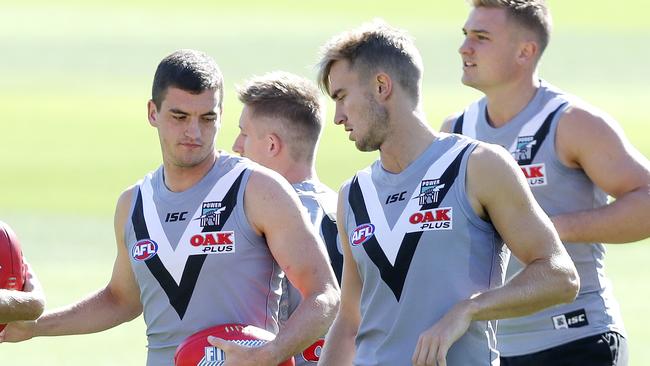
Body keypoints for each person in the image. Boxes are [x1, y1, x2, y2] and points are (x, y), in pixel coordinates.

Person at [0, 49, 340, 366]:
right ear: (153, 113)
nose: (194, 132)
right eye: (179, 116)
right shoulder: (134, 203)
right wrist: (35, 327)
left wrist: (271, 354)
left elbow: (324, 294)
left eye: (207, 118)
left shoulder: (258, 189)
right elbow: (121, 299)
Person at [316, 20, 580, 366]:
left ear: (382, 86)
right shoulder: (353, 194)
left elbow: (560, 276)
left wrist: (469, 309)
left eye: (342, 97)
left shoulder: (479, 166)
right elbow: (349, 322)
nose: (337, 117)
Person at [441, 1, 650, 365]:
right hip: (491, 351)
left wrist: (553, 230)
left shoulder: (571, 122)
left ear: (525, 52)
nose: (465, 48)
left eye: (481, 37)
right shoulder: (455, 132)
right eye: (465, 35)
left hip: (578, 341)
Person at [232, 71, 343, 364]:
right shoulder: (348, 210)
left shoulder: (267, 222)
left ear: (271, 145)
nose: (235, 146)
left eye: (243, 133)